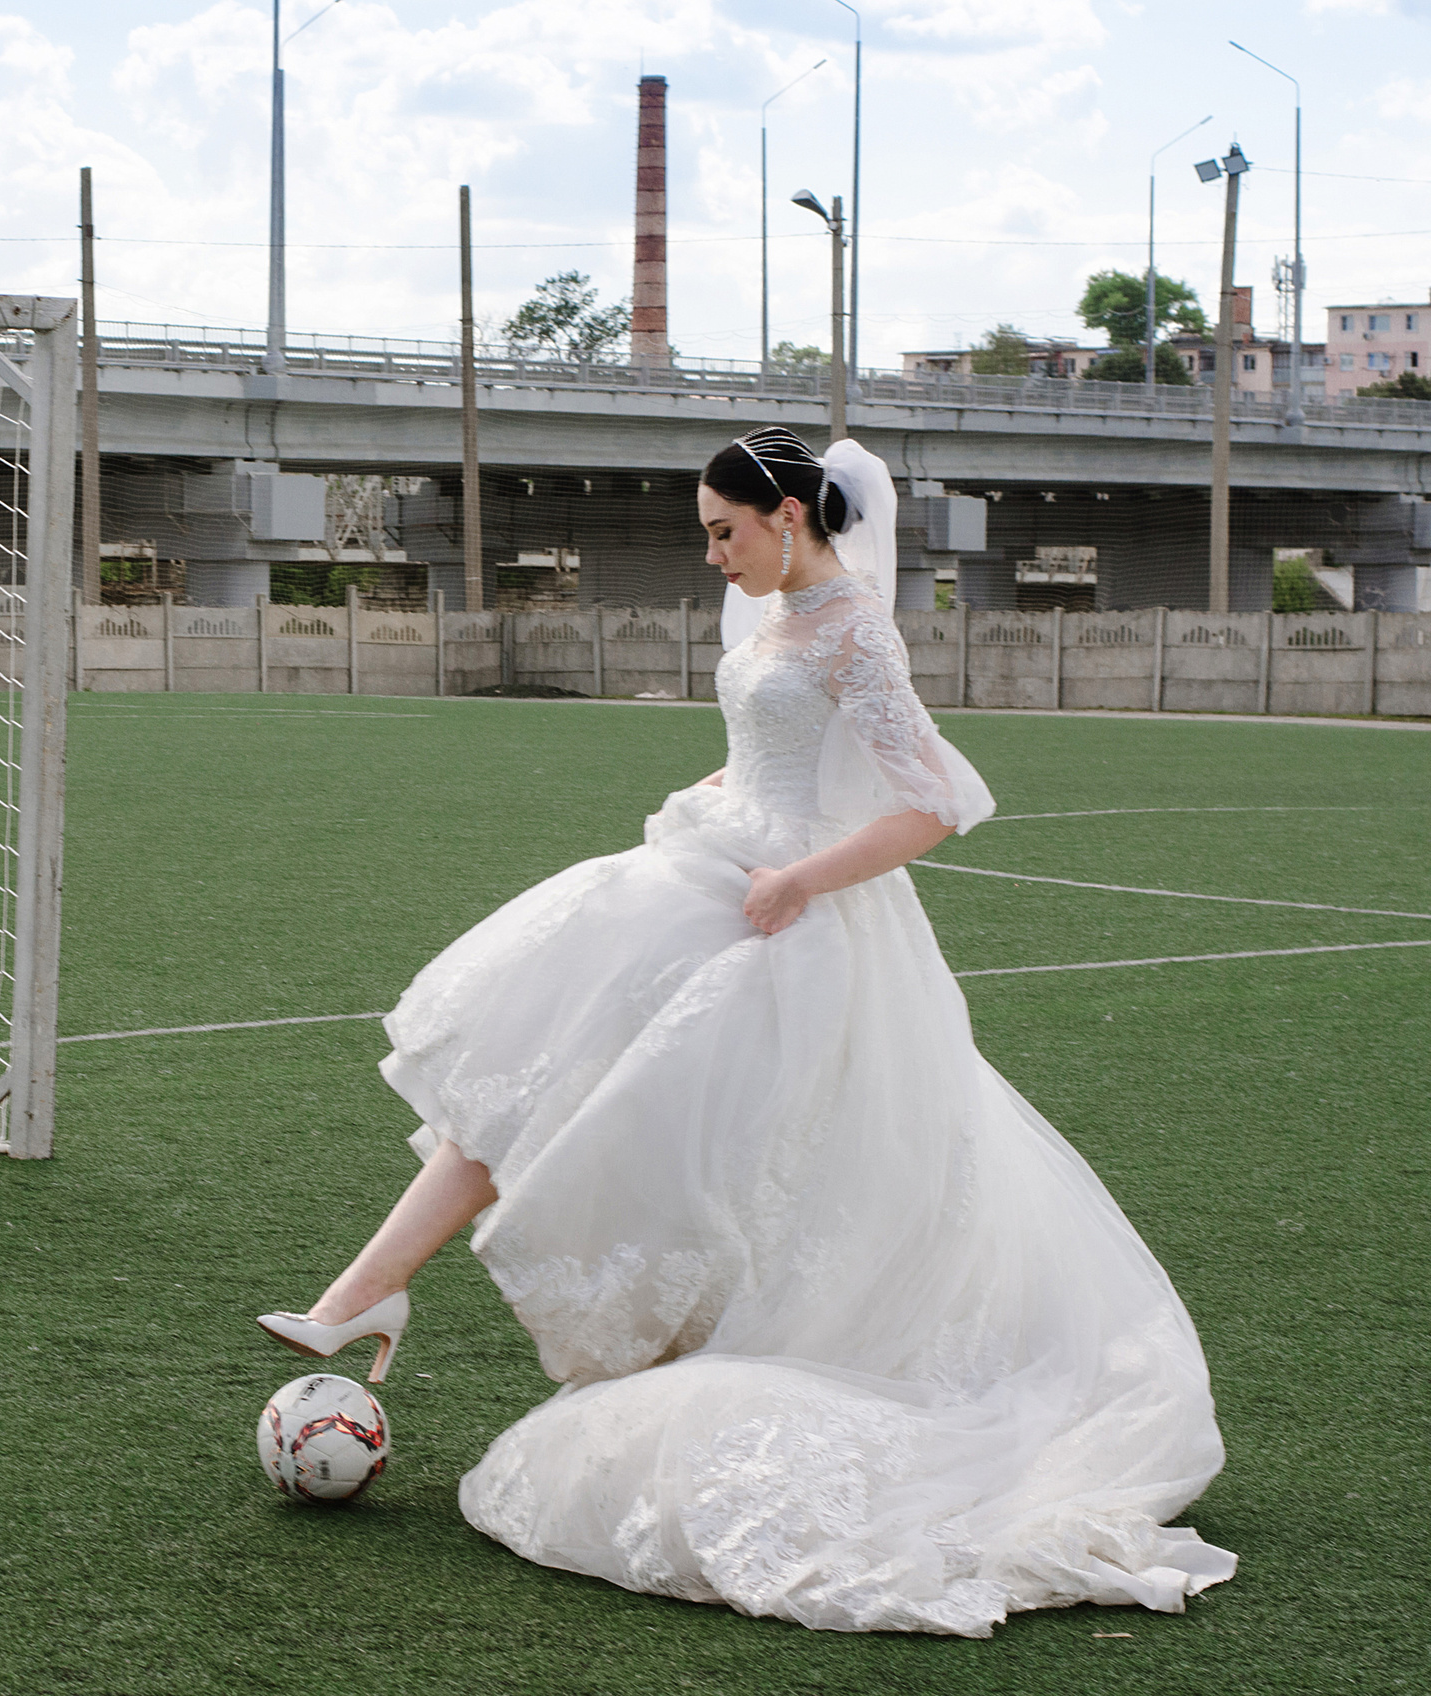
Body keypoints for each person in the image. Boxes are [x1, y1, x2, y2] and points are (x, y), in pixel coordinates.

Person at [258, 428, 1235, 1636]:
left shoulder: (855, 629)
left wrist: (801, 880)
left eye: (726, 533)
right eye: (707, 536)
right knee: (528, 1079)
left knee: (678, 1148)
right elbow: (772, 754)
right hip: (706, 878)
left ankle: (417, 1305)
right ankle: (365, 1289)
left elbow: (936, 801)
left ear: (787, 514)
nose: (715, 557)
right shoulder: (776, 620)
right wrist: (715, 801)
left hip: (789, 923)